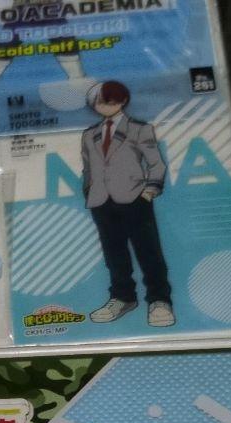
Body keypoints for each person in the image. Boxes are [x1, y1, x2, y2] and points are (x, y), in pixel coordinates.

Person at [80, 81, 175, 329]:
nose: (105, 105)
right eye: (100, 101)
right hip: (101, 201)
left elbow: (156, 163)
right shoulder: (89, 134)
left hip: (135, 199)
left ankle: (159, 301)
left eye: (111, 100)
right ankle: (122, 298)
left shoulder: (139, 129)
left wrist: (149, 191)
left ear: (122, 101)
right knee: (114, 254)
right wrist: (89, 191)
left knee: (149, 252)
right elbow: (88, 168)